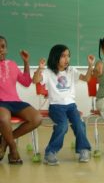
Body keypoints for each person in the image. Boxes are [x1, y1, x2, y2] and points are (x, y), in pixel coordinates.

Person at [32, 44, 95, 165]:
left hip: (71, 106)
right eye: (63, 56)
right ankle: (50, 152)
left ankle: (83, 149)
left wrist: (90, 65)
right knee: (62, 125)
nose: (67, 59)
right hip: (56, 107)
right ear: (55, 57)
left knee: (79, 124)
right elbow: (35, 80)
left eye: (68, 56)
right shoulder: (48, 72)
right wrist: (40, 68)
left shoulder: (71, 71)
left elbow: (87, 79)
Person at [0, 35, 42, 164]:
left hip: (15, 101)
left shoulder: (12, 64)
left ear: (6, 49)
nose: (0, 50)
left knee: (37, 118)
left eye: (2, 47)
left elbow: (26, 82)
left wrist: (26, 62)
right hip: (1, 103)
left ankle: (4, 141)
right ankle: (13, 149)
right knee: (3, 119)